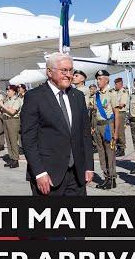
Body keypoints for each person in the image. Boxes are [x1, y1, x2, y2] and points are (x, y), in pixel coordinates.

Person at [21, 52, 94, 196]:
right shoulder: (34, 97)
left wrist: (89, 166)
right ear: (49, 72)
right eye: (63, 70)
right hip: (48, 176)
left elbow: (84, 135)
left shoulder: (77, 97)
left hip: (77, 175)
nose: (69, 74)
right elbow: (29, 139)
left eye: (71, 70)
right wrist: (39, 173)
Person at [93, 70, 120, 189]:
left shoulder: (111, 93)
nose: (98, 81)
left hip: (108, 126)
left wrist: (116, 132)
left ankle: (112, 179)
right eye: (97, 79)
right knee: (101, 153)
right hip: (98, 126)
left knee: (110, 153)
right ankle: (106, 178)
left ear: (106, 80)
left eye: (100, 79)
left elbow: (117, 113)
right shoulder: (97, 94)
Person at [0, 84, 21, 168]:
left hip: (13, 120)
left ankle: (15, 160)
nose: (7, 92)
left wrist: (3, 105)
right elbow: (3, 110)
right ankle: (11, 158)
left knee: (13, 140)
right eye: (7, 91)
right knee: (8, 140)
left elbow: (12, 112)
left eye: (9, 91)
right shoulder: (7, 100)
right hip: (6, 120)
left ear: (14, 92)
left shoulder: (17, 100)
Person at [112, 77, 129, 157]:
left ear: (120, 84)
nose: (115, 85)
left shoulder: (124, 92)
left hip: (120, 113)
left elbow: (122, 104)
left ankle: (122, 149)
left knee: (120, 131)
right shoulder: (115, 92)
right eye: (115, 83)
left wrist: (114, 106)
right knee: (115, 130)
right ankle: (118, 147)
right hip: (115, 113)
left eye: (116, 84)